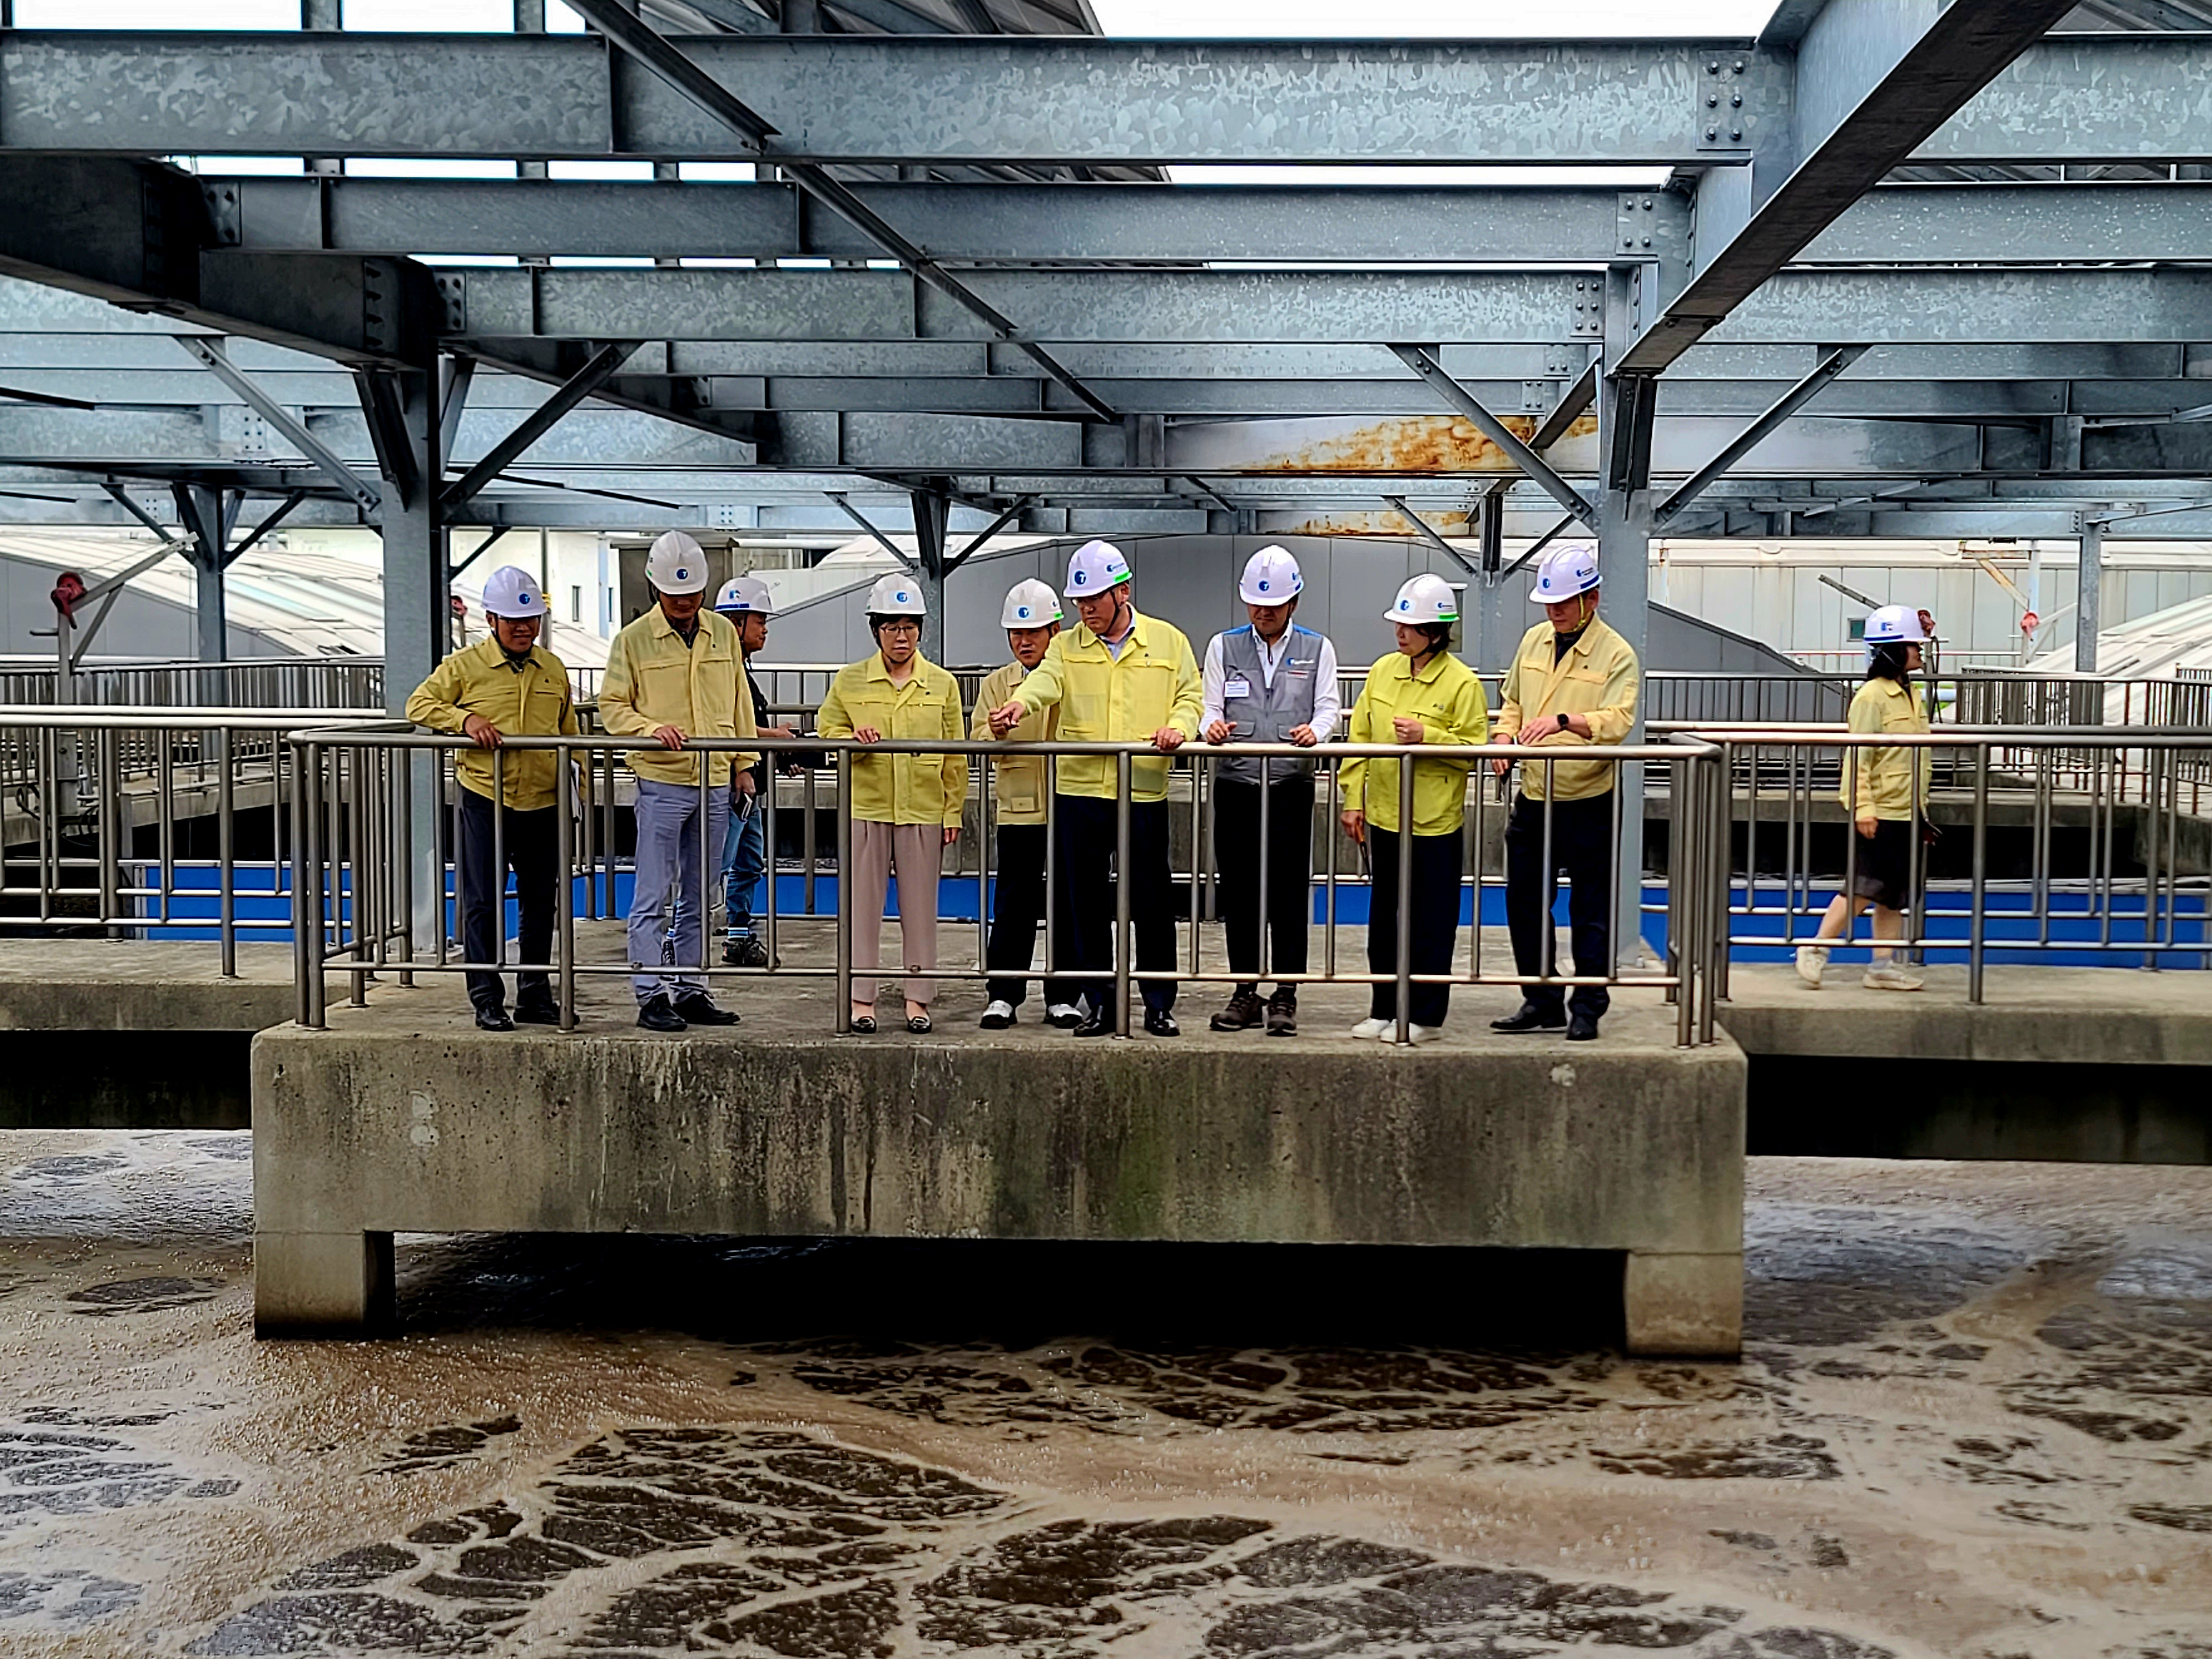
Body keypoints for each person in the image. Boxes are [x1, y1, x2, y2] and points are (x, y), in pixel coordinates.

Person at [987, 540, 1202, 1037]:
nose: (1086, 610)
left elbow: (1191, 696)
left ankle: (1158, 1003)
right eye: (1080, 602)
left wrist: (1178, 728)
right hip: (1080, 791)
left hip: (1142, 789)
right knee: (1085, 903)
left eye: (1094, 600)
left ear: (1122, 592)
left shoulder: (1168, 642)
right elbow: (1046, 682)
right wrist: (1020, 704)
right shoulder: (1067, 646)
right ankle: (1100, 1002)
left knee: (1152, 901)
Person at [404, 565, 581, 1031]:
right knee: (482, 900)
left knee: (541, 902)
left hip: (543, 799)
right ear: (491, 620)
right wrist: (464, 721)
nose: (524, 629)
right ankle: (486, 997)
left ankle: (535, 994)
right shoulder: (464, 666)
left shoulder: (552, 668)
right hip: (487, 796)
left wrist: (577, 790)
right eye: (513, 621)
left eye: (531, 620)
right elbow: (418, 704)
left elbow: (569, 732)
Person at [598, 530, 755, 1032]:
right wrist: (649, 729)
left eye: (691, 594)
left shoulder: (722, 633)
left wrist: (743, 764)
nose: (684, 603)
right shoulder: (632, 641)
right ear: (656, 589)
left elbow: (739, 702)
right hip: (662, 782)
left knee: (700, 891)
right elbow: (612, 706)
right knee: (652, 893)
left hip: (714, 779)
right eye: (674, 595)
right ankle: (650, 993)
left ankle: (691, 988)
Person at [1490, 542, 1642, 1044]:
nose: (1554, 612)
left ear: (1590, 599)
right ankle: (1541, 999)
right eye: (1549, 603)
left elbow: (1618, 720)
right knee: (1525, 901)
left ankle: (1588, 1007)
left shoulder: (1617, 654)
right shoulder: (1533, 641)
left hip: (1589, 797)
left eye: (1562, 603)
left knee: (1590, 908)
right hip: (1535, 794)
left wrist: (1565, 721)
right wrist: (1502, 739)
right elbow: (1512, 701)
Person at [1339, 573, 1487, 1045]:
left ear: (1436, 633)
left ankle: (1426, 1015)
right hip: (1386, 815)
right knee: (1384, 919)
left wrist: (1430, 737)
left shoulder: (1463, 684)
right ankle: (1383, 1007)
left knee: (1432, 922)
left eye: (1411, 626)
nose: (1400, 633)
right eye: (1399, 624)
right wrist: (1353, 799)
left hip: (1434, 823)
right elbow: (1360, 738)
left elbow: (1474, 751)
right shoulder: (1384, 671)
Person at [817, 573, 967, 1034]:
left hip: (923, 808)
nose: (901, 636)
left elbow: (955, 755)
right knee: (863, 909)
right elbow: (827, 731)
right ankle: (861, 998)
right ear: (876, 630)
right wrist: (852, 739)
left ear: (920, 629)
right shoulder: (850, 680)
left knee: (920, 911)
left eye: (909, 626)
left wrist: (953, 810)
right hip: (868, 806)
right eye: (891, 627)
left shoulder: (942, 684)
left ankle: (917, 999)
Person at [1201, 545, 1340, 1036]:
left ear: (1293, 603)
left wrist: (1316, 733)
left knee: (1287, 892)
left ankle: (1285, 992)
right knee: (1239, 890)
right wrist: (1211, 727)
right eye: (1256, 604)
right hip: (1236, 783)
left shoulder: (1318, 649)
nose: (1263, 613)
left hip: (1289, 784)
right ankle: (1245, 989)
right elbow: (1209, 705)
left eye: (1274, 605)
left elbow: (1328, 707)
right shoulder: (1223, 646)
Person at [1796, 605, 1932, 993]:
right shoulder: (1872, 697)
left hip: (1908, 808)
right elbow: (1858, 758)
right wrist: (1863, 807)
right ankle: (1816, 947)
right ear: (1895, 650)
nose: (1920, 652)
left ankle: (1882, 966)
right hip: (1882, 809)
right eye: (1914, 645)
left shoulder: (1910, 694)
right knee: (1863, 887)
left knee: (1893, 894)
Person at [972, 578, 1083, 1031]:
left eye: (1033, 632)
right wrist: (994, 734)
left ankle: (1064, 995)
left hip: (1071, 805)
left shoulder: (1074, 676)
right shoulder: (997, 684)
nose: (1023, 641)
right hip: (1019, 809)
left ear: (1055, 631)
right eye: (1016, 634)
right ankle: (1003, 994)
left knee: (1068, 903)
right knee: (1013, 903)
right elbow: (977, 739)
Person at [712, 574, 797, 969]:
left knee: (748, 865)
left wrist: (778, 750)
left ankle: (738, 937)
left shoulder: (739, 668)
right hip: (733, 784)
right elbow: (729, 725)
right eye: (760, 621)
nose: (765, 630)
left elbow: (746, 722)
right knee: (716, 865)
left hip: (751, 785)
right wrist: (774, 736)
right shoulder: (718, 669)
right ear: (736, 622)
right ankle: (680, 937)